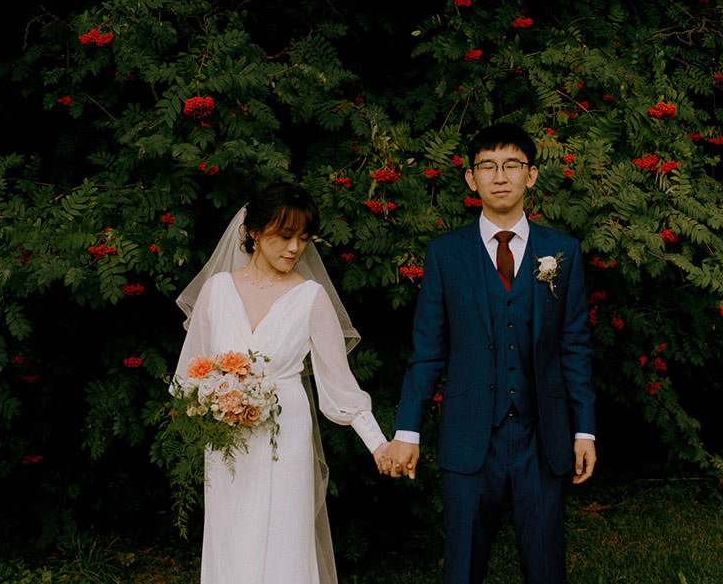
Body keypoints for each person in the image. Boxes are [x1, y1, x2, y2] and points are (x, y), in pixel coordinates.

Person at [384, 123, 597, 584]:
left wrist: (585, 431)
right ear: (471, 179)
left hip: (543, 439)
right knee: (461, 568)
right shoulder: (445, 254)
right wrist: (407, 431)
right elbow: (427, 350)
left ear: (532, 175)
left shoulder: (563, 252)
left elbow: (574, 346)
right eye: (488, 166)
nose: (500, 176)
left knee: (546, 568)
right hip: (469, 436)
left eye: (512, 165)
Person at [174, 183, 395, 584]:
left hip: (286, 436)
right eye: (284, 236)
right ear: (254, 232)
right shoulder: (217, 290)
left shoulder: (311, 297)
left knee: (284, 535)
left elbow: (339, 385)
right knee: (232, 532)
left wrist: (379, 445)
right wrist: (207, 409)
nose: (294, 249)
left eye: (304, 238)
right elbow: (191, 373)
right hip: (227, 440)